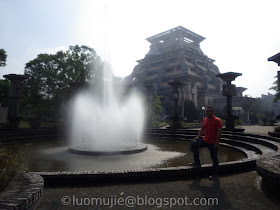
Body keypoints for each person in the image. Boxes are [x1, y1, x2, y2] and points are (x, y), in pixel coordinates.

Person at [190, 106, 222, 180]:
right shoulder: (204, 120)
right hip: (205, 140)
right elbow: (202, 129)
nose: (208, 112)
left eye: (210, 111)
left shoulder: (217, 120)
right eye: (207, 111)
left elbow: (219, 131)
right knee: (195, 145)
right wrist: (198, 137)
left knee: (214, 158)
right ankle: (197, 162)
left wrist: (217, 142)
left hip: (213, 142)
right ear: (205, 112)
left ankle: (215, 174)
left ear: (213, 112)